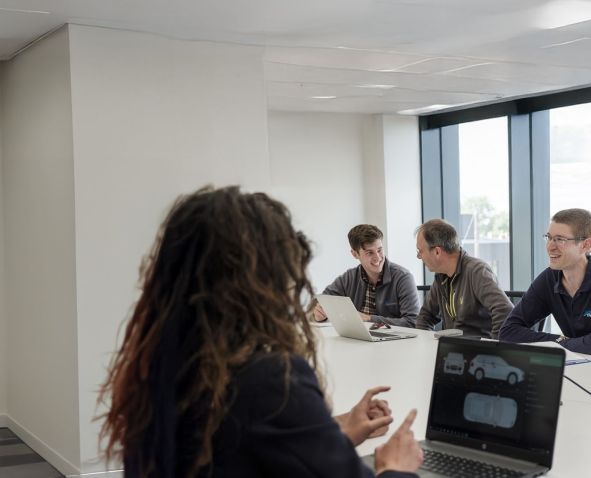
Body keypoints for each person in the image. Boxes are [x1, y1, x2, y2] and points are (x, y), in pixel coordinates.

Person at [98, 186, 423, 478]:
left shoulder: (161, 368)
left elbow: (246, 450)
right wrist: (395, 467)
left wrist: (333, 429)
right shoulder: (271, 381)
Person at [499, 208, 591, 359]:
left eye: (560, 239)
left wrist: (557, 344)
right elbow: (508, 332)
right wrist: (561, 341)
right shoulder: (549, 278)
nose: (550, 246)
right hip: (578, 366)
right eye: (549, 237)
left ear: (585, 245)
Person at [415, 219, 513, 338]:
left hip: (476, 352)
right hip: (452, 351)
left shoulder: (476, 271)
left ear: (437, 252)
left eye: (420, 251)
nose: (418, 256)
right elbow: (425, 316)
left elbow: (504, 310)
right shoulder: (441, 276)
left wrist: (493, 348)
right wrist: (426, 344)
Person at [314, 224, 420, 327]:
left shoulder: (403, 278)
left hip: (395, 343)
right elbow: (320, 303)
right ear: (355, 254)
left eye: (379, 250)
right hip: (358, 340)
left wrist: (369, 319)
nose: (378, 258)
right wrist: (319, 314)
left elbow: (412, 322)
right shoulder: (348, 278)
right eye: (369, 253)